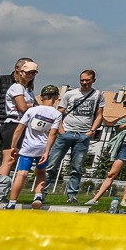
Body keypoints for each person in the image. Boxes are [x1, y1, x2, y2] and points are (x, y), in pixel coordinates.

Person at [37, 69, 104, 207]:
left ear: (93, 80)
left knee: (77, 167)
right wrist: (60, 129)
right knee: (52, 165)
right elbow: (59, 111)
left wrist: (91, 131)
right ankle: (41, 194)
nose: (84, 83)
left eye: (87, 80)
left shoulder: (98, 95)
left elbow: (99, 114)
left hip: (83, 135)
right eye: (82, 80)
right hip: (66, 132)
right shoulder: (70, 94)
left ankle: (72, 195)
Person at [0, 58, 38, 178]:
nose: (31, 75)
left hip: (17, 124)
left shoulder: (28, 88)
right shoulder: (7, 83)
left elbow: (32, 106)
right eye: (28, 72)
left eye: (34, 73)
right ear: (18, 70)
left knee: (8, 159)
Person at [6, 85, 63, 206]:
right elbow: (53, 134)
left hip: (28, 147)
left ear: (42, 98)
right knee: (41, 172)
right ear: (57, 97)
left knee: (22, 174)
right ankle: (38, 196)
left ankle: (12, 202)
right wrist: (47, 152)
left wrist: (13, 146)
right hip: (42, 147)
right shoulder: (57, 114)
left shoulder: (31, 110)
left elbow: (19, 129)